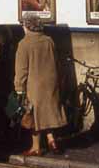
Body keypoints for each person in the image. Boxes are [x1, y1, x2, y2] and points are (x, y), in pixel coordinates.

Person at [14, 13, 67, 156]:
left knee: (33, 116)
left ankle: (35, 147)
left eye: (23, 24)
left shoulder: (24, 44)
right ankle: (52, 140)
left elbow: (21, 70)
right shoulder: (49, 41)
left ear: (26, 26)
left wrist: (19, 88)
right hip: (51, 82)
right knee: (47, 113)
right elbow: (57, 62)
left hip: (34, 85)